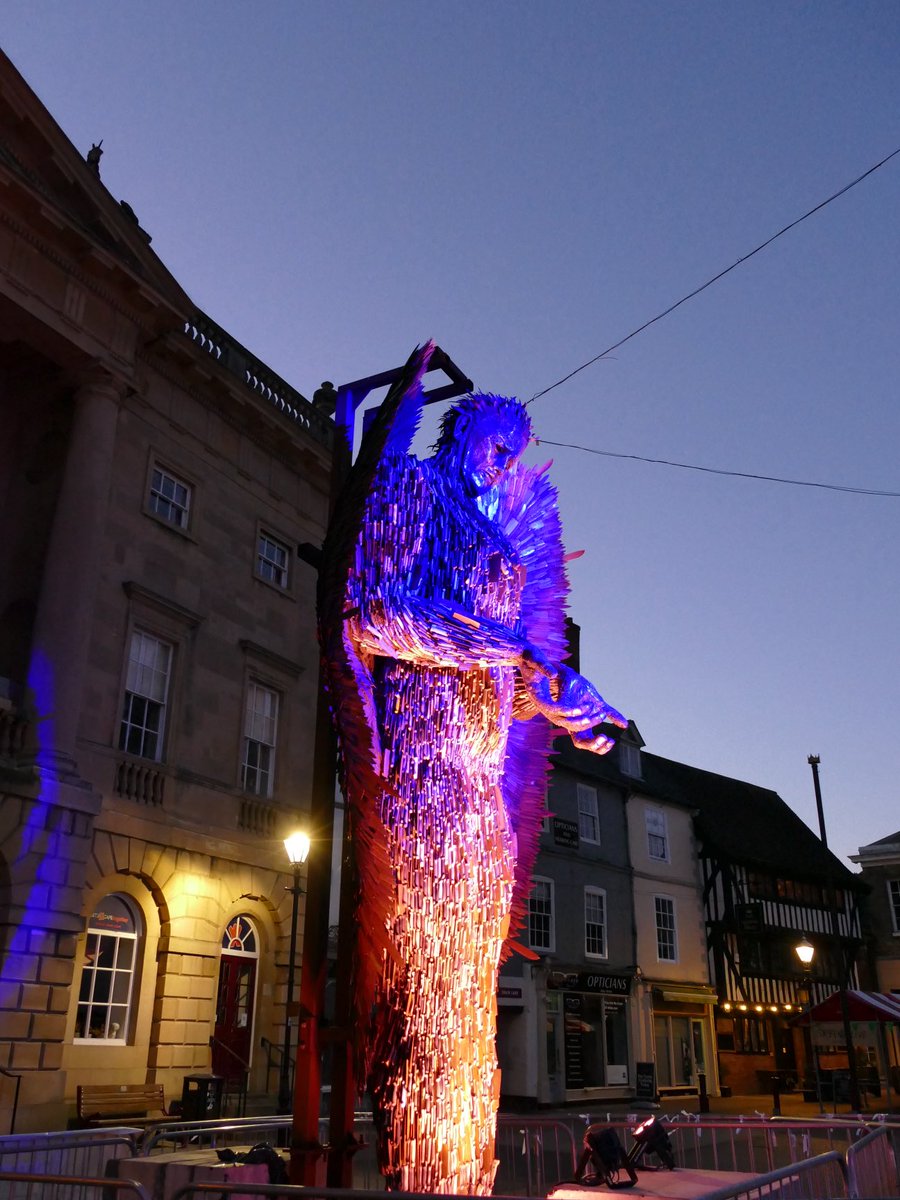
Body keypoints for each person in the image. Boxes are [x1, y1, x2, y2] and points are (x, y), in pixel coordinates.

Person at [320, 345, 625, 1193]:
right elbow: (374, 614)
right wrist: (506, 650)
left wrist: (555, 695)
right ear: (457, 437)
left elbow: (502, 668)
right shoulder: (408, 496)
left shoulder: (498, 543)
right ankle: (423, 1173)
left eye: (513, 456)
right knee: (422, 1013)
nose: (502, 467)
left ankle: (459, 1175)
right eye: (494, 447)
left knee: (467, 1018)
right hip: (422, 787)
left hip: (479, 802)